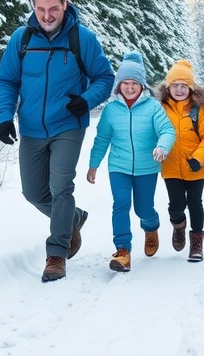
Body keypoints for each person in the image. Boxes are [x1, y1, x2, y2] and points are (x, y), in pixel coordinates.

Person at [0, 0, 114, 283]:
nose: (47, 16)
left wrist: (86, 101)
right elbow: (7, 80)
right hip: (32, 128)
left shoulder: (81, 39)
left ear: (65, 4)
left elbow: (104, 77)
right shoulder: (21, 39)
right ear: (33, 6)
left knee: (61, 187)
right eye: (40, 9)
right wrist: (4, 116)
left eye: (53, 9)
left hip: (67, 126)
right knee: (33, 192)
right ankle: (72, 218)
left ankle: (56, 254)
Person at [86, 51, 176, 273]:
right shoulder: (111, 110)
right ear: (118, 86)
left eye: (134, 82)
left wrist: (162, 147)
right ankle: (123, 250)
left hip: (147, 167)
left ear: (142, 85)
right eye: (124, 82)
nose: (129, 87)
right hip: (119, 166)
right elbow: (102, 138)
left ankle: (151, 226)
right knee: (121, 204)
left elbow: (166, 130)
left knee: (144, 209)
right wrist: (93, 163)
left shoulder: (153, 107)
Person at [157, 59, 204, 262]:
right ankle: (179, 225)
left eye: (184, 86)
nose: (180, 89)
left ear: (191, 88)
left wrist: (198, 158)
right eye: (175, 85)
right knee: (176, 206)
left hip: (195, 167)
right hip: (171, 165)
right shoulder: (161, 109)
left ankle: (197, 242)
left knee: (195, 204)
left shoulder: (199, 109)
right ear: (168, 87)